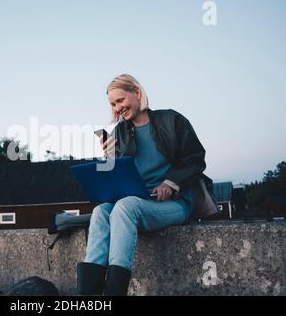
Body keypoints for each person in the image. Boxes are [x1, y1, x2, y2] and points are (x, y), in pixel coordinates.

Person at [76, 74, 215, 296]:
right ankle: (88, 297)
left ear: (137, 93)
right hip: (139, 201)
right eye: (113, 104)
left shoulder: (172, 120)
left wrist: (170, 184)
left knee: (125, 206)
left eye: (120, 100)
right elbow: (120, 173)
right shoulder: (120, 132)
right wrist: (109, 158)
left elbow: (195, 159)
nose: (117, 107)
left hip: (175, 202)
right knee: (101, 211)